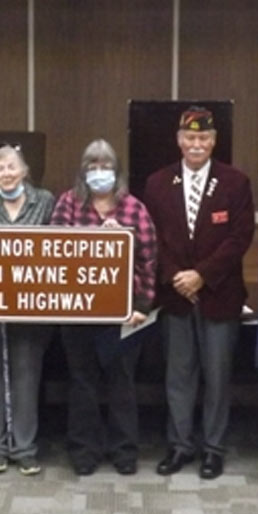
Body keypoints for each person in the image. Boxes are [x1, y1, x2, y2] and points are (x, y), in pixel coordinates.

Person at [143, 107, 254, 479]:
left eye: (203, 138)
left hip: (218, 295)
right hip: (175, 295)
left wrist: (201, 276)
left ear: (213, 141)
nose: (196, 144)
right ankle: (180, 446)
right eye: (189, 138)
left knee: (218, 376)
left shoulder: (235, 182)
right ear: (179, 140)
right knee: (178, 375)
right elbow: (152, 238)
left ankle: (213, 449)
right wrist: (177, 276)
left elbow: (240, 238)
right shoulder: (158, 183)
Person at [50, 139, 156, 476]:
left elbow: (150, 262)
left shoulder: (134, 209)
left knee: (121, 383)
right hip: (77, 312)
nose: (99, 174)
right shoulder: (68, 204)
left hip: (125, 315)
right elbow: (51, 250)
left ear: (117, 172)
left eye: (105, 167)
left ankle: (124, 451)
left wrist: (142, 306)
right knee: (82, 383)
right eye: (92, 167)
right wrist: (95, 237)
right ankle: (84, 451)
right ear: (83, 173)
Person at [0, 144, 56, 476]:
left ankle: (24, 448)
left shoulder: (46, 201)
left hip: (32, 306)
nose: (6, 173)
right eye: (0, 168)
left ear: (24, 171)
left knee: (27, 373)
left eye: (12, 167)